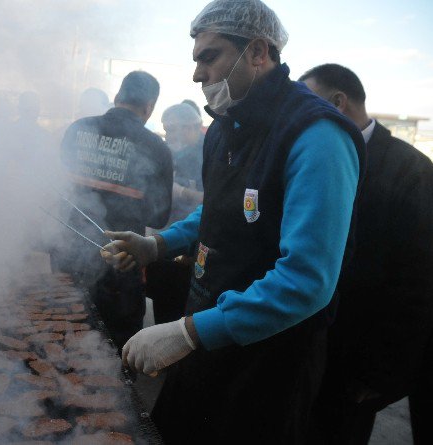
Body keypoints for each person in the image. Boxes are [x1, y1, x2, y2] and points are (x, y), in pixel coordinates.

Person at [100, 1, 365, 442]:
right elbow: (221, 210)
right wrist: (161, 245)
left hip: (267, 359)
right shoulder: (225, 127)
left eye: (210, 56)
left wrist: (187, 332)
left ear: (258, 51)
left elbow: (307, 279)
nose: (197, 74)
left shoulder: (317, 135)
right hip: (207, 333)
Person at [299, 63, 433, 445]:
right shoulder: (313, 157)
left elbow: (418, 282)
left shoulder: (411, 170)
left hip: (355, 364)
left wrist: (380, 376)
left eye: (309, 104)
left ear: (338, 103)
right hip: (305, 349)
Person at [58, 71, 173, 349]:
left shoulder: (77, 129)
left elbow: (57, 188)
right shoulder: (155, 146)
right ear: (149, 107)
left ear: (117, 97)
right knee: (114, 349)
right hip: (121, 264)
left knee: (62, 334)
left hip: (68, 255)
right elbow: (159, 216)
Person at [145, 103, 205, 325]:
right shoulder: (168, 151)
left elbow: (216, 202)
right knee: (163, 306)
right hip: (166, 238)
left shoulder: (209, 152)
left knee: (186, 314)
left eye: (173, 129)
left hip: (193, 247)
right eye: (166, 129)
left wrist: (183, 192)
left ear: (192, 128)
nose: (168, 135)